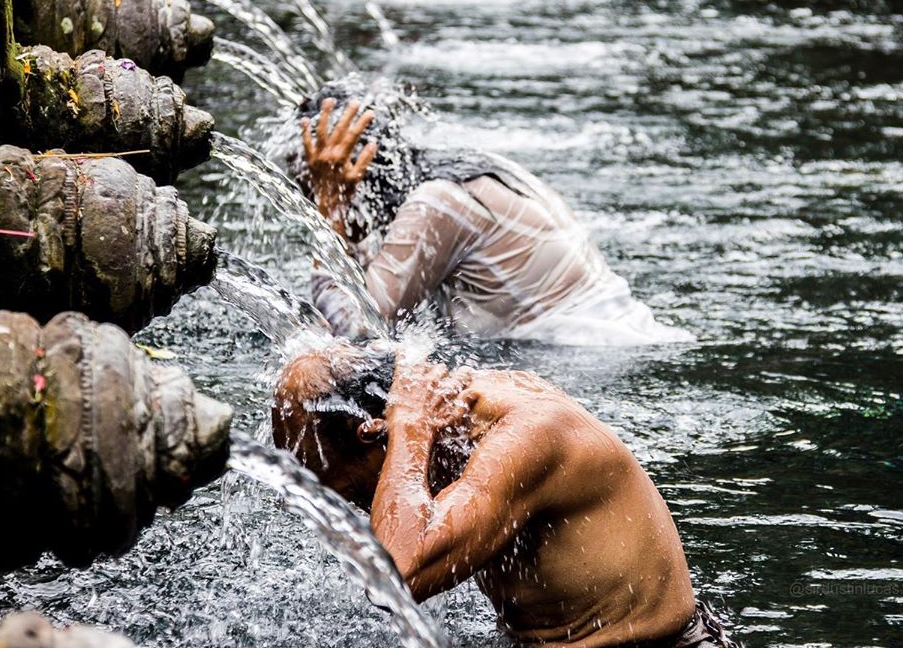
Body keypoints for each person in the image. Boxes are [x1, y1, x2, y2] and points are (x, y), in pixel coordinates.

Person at [273, 340, 739, 647]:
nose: (366, 511)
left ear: (375, 435)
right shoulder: (455, 419)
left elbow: (395, 574)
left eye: (353, 492)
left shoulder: (528, 434)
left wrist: (411, 429)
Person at [294, 78, 693, 346]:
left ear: (352, 171)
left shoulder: (439, 203)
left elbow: (353, 331)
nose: (302, 188)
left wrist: (329, 207)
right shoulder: (461, 169)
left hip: (581, 356)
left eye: (314, 174)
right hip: (620, 338)